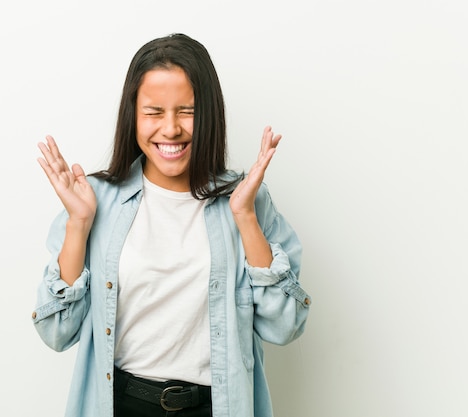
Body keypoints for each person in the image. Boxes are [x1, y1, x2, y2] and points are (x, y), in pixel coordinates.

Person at [32, 33, 311, 417]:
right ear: (133, 115)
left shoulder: (248, 200)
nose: (170, 129)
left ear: (209, 114)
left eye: (187, 111)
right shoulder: (93, 202)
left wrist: (245, 217)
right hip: (122, 405)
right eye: (153, 112)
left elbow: (285, 326)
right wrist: (79, 225)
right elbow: (56, 332)